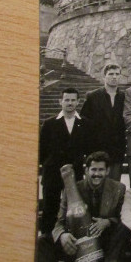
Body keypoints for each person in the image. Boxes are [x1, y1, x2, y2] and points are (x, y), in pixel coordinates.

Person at [37, 151, 126, 262]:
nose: (96, 174)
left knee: (122, 230)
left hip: (101, 242)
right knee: (41, 241)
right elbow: (59, 222)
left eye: (100, 170)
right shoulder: (71, 189)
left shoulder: (118, 189)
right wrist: (63, 235)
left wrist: (107, 222)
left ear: (107, 171)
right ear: (86, 171)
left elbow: (122, 217)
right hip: (76, 243)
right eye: (93, 170)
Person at [39, 87, 93, 234]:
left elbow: (89, 149)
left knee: (74, 209)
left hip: (75, 174)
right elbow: (42, 151)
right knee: (50, 209)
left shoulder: (85, 124)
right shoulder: (49, 124)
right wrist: (51, 166)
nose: (70, 103)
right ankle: (47, 243)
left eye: (73, 100)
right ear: (60, 102)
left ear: (78, 102)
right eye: (66, 100)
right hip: (53, 174)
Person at [80, 64, 126, 181]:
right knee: (96, 184)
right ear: (104, 76)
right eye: (111, 74)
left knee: (114, 185)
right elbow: (84, 122)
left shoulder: (124, 97)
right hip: (97, 149)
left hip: (117, 150)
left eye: (117, 74)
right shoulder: (92, 96)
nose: (114, 77)